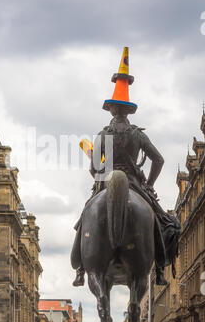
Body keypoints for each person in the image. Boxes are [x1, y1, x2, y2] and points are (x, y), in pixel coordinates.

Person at [71, 48, 181, 287]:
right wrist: (148, 185)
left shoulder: (102, 135)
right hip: (136, 183)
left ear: (111, 109)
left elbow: (94, 169)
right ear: (128, 111)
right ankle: (161, 269)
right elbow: (159, 160)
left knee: (83, 220)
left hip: (105, 182)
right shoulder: (137, 135)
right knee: (166, 223)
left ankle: (80, 270)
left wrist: (102, 174)